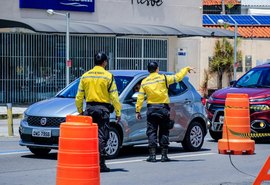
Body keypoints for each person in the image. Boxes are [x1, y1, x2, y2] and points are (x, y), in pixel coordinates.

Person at [135, 61, 195, 162]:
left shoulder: (145, 81)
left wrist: (138, 110)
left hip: (151, 109)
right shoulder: (164, 78)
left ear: (149, 70)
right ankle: (164, 155)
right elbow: (177, 77)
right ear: (157, 69)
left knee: (152, 132)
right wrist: (186, 69)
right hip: (163, 109)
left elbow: (140, 97)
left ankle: (152, 156)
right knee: (164, 131)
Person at [75, 52, 121, 172]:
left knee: (88, 137)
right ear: (104, 62)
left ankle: (86, 162)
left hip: (89, 109)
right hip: (103, 110)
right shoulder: (108, 76)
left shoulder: (85, 76)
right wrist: (118, 112)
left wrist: (80, 111)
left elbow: (79, 96)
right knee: (102, 137)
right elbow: (115, 97)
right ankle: (100, 164)